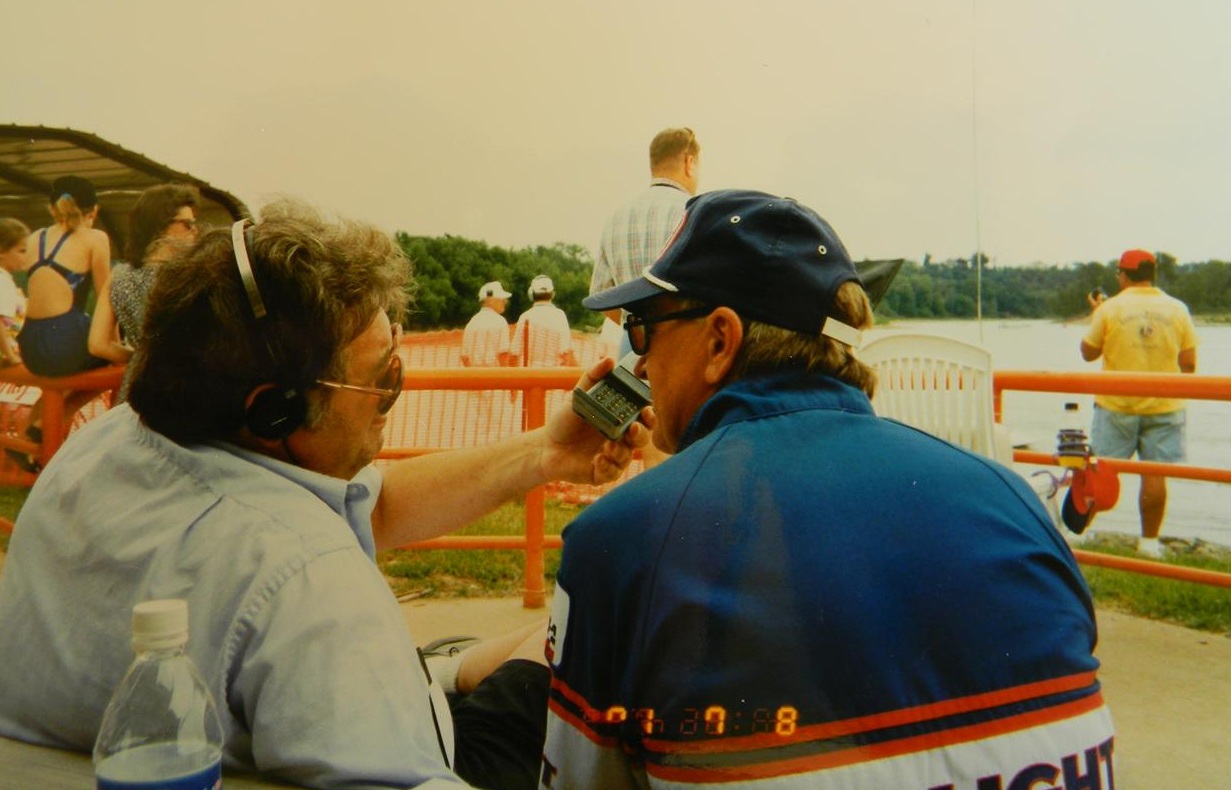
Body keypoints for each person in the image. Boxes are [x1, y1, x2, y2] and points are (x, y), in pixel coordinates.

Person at [0, 199, 645, 790]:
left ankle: (451, 670)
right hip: (432, 757)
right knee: (583, 634)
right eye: (382, 379)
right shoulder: (307, 575)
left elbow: (376, 505)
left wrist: (546, 453)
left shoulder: (105, 444)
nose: (391, 398)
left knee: (536, 641)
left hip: (313, 724)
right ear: (274, 412)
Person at [542, 190, 1115, 789]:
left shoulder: (619, 542)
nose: (639, 363)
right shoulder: (1015, 502)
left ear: (719, 341)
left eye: (642, 331)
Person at [592, 127, 701, 466]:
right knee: (689, 460)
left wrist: (635, 326)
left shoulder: (617, 218)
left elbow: (601, 295)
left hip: (633, 353)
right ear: (689, 162)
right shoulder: (694, 212)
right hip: (687, 353)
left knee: (654, 456)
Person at [1081, 249, 1199, 558]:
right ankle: (1149, 543)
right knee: (1154, 474)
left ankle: (1077, 532)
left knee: (1100, 471)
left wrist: (1097, 312)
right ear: (1153, 274)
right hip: (1165, 405)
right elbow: (1189, 364)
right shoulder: (1178, 309)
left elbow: (1088, 353)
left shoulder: (1110, 308)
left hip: (1116, 404)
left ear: (1123, 275)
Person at [11, 176, 111, 469]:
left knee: (54, 382)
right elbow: (106, 298)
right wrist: (115, 344)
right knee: (108, 368)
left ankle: (29, 440)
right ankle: (43, 429)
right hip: (65, 340)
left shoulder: (35, 237)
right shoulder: (95, 238)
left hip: (31, 343)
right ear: (94, 210)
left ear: (52, 208)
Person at [88, 183, 201, 398]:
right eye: (187, 224)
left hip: (137, 391)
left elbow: (97, 344)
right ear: (160, 226)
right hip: (185, 392)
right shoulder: (191, 276)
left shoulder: (118, 274)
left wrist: (141, 357)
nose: (195, 230)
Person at [511, 275, 577, 367]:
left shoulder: (524, 317)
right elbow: (566, 352)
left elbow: (514, 354)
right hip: (552, 373)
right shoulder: (559, 315)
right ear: (552, 294)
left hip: (528, 372)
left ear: (531, 294)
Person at [0, 218, 30, 367]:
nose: (27, 256)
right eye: (22, 251)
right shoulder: (2, 281)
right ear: (1, 251)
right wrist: (10, 356)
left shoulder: (6, 279)